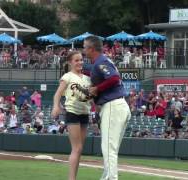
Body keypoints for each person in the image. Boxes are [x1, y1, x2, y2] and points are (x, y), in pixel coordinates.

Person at [84, 36, 131, 180]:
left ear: (92, 49)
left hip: (113, 106)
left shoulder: (101, 61)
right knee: (111, 148)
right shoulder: (98, 63)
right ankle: (107, 176)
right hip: (118, 105)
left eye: (85, 47)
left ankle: (111, 178)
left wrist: (97, 89)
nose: (83, 50)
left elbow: (114, 78)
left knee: (108, 148)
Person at [51, 51, 92, 180]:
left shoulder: (87, 78)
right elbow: (57, 94)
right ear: (70, 62)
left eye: (81, 60)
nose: (80, 62)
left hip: (84, 113)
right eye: (76, 60)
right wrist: (56, 106)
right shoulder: (67, 76)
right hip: (72, 112)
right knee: (77, 148)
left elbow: (90, 97)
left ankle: (74, 177)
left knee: (79, 150)